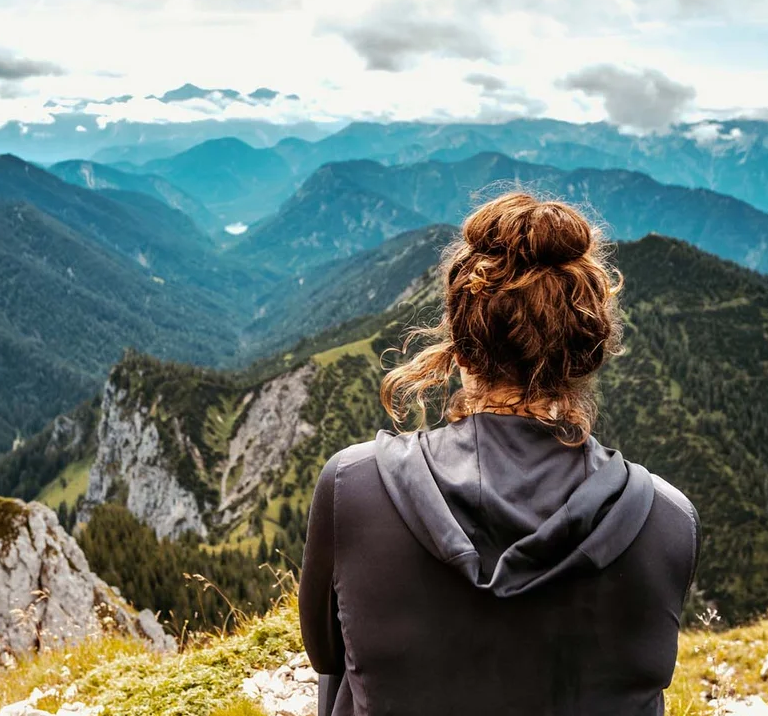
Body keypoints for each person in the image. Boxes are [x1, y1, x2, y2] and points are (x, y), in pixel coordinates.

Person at [298, 191, 699, 716]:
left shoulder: (353, 483)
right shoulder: (668, 517)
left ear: (460, 350)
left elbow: (325, 652)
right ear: (584, 358)